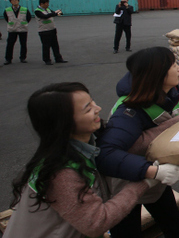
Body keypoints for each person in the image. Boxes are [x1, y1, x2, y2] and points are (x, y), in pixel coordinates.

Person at [4, 82, 158, 238]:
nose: (98, 109)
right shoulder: (62, 173)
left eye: (93, 102)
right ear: (64, 122)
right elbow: (97, 222)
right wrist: (143, 183)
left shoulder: (85, 144)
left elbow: (136, 143)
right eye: (88, 109)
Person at [96, 47, 179, 238]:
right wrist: (154, 171)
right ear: (158, 73)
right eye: (173, 65)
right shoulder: (128, 111)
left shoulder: (173, 94)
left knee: (173, 225)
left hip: (155, 181)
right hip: (127, 183)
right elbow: (105, 155)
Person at [34, 0, 67, 65]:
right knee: (46, 46)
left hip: (52, 29)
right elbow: (45, 17)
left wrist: (58, 13)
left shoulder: (48, 9)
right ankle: (47, 60)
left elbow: (54, 14)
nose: (48, 5)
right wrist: (54, 13)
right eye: (47, 3)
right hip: (44, 30)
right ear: (41, 4)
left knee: (55, 45)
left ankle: (58, 58)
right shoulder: (37, 11)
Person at [4, 0, 32, 65]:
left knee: (23, 44)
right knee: (10, 44)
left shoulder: (24, 9)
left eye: (15, 0)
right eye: (12, 0)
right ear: (10, 2)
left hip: (22, 28)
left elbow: (28, 17)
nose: (14, 1)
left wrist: (23, 23)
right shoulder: (7, 10)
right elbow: (6, 18)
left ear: (18, 1)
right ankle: (8, 59)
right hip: (12, 29)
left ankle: (22, 58)